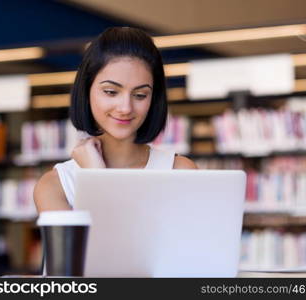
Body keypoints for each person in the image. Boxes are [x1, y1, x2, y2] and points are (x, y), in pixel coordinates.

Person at [34, 27, 198, 213]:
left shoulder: (181, 172)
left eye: (140, 95)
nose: (126, 108)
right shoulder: (56, 186)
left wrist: (97, 176)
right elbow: (99, 243)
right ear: (86, 91)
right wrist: (94, 176)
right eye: (111, 92)